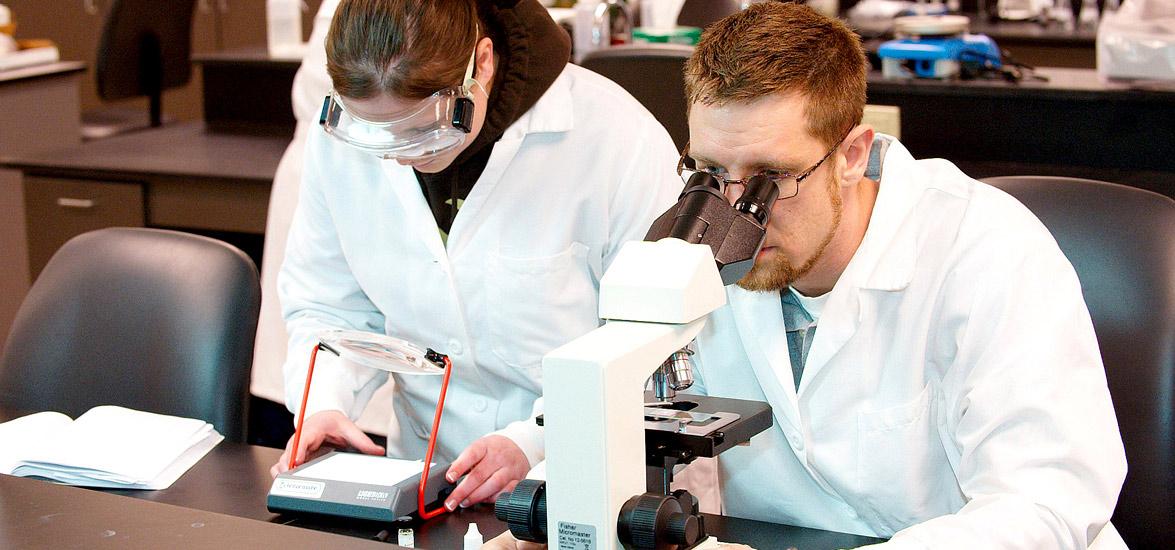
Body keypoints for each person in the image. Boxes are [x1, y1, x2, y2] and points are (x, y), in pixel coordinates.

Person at [489, 2, 1126, 549]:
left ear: (852, 155)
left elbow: (1046, 500)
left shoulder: (984, 250)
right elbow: (623, 372)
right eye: (711, 171)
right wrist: (537, 451)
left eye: (772, 180)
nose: (735, 213)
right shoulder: (698, 234)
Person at [270, 0, 682, 514]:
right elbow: (330, 307)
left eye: (422, 126)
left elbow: (659, 343)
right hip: (426, 483)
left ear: (481, 63)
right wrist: (328, 404)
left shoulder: (616, 138)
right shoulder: (338, 142)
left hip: (583, 483)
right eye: (376, 133)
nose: (400, 154)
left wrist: (535, 441)